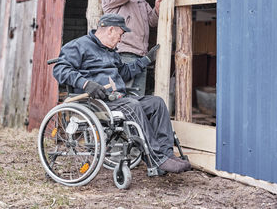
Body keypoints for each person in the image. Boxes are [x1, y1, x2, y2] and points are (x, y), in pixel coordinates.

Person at [53, 13, 191, 173]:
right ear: (111, 30)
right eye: (120, 34)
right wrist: (85, 83)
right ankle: (157, 158)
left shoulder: (111, 52)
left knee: (156, 103)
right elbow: (60, 69)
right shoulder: (79, 46)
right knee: (132, 105)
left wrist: (146, 60)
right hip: (96, 103)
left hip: (117, 100)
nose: (120, 39)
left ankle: (166, 154)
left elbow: (124, 72)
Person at [101, 0, 173, 96]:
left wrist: (157, 10)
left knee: (137, 100)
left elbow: (151, 22)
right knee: (124, 101)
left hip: (141, 56)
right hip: (124, 56)